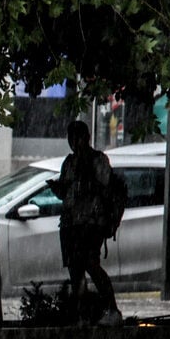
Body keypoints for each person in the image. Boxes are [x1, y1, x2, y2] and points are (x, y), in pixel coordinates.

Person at [47, 121, 121, 326]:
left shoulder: (98, 160)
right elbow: (66, 193)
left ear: (86, 138)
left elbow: (105, 189)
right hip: (71, 223)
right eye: (71, 139)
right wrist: (58, 188)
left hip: (91, 223)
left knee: (92, 265)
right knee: (75, 270)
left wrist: (86, 179)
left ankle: (112, 310)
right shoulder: (69, 162)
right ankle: (83, 315)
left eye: (78, 138)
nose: (74, 143)